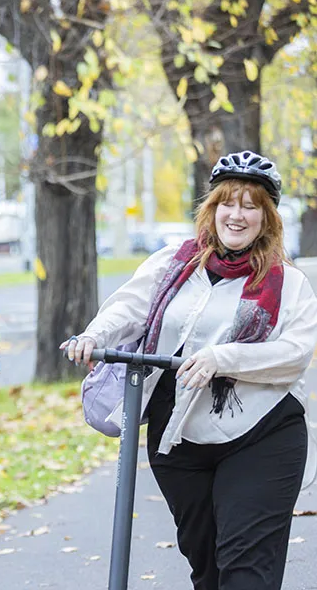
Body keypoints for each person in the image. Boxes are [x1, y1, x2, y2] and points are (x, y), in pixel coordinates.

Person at [61, 150, 317, 590]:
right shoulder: (174, 263)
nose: (237, 215)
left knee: (246, 570)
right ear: (212, 209)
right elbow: (130, 306)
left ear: (267, 219)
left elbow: (295, 353)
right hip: (178, 437)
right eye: (227, 203)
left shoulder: (288, 282)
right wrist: (94, 336)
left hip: (263, 434)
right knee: (207, 567)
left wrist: (223, 358)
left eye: (250, 206)